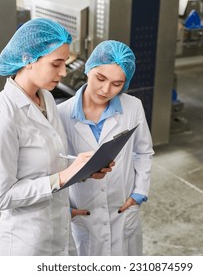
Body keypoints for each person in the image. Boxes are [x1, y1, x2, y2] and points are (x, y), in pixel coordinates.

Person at [0, 18, 113, 256]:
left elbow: (49, 162)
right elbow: (2, 196)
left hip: (58, 232)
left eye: (65, 63)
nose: (63, 72)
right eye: (56, 64)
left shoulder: (46, 97)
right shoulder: (2, 116)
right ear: (27, 59)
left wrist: (82, 169)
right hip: (26, 243)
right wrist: (62, 178)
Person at [57, 40, 154, 256]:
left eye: (117, 84)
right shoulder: (60, 114)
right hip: (83, 211)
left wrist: (139, 193)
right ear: (88, 69)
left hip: (123, 209)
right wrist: (64, 209)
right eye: (100, 78)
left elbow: (143, 151)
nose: (106, 90)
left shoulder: (133, 106)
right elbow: (54, 166)